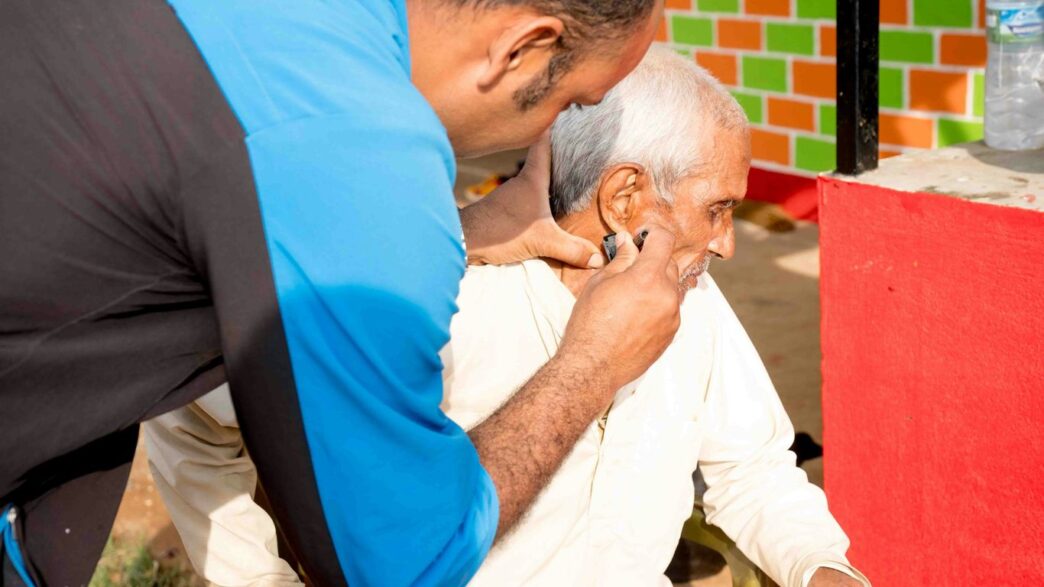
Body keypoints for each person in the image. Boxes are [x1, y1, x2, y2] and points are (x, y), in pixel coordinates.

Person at [0, 1, 678, 585]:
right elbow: (393, 558)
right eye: (571, 105)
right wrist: (593, 361)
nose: (551, 132)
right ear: (522, 48)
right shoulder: (358, 154)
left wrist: (451, 234)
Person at [146, 48, 869, 587]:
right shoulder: (446, 299)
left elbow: (752, 468)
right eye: (718, 209)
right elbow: (194, 414)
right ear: (624, 199)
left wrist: (822, 568)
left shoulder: (690, 296)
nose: (728, 241)